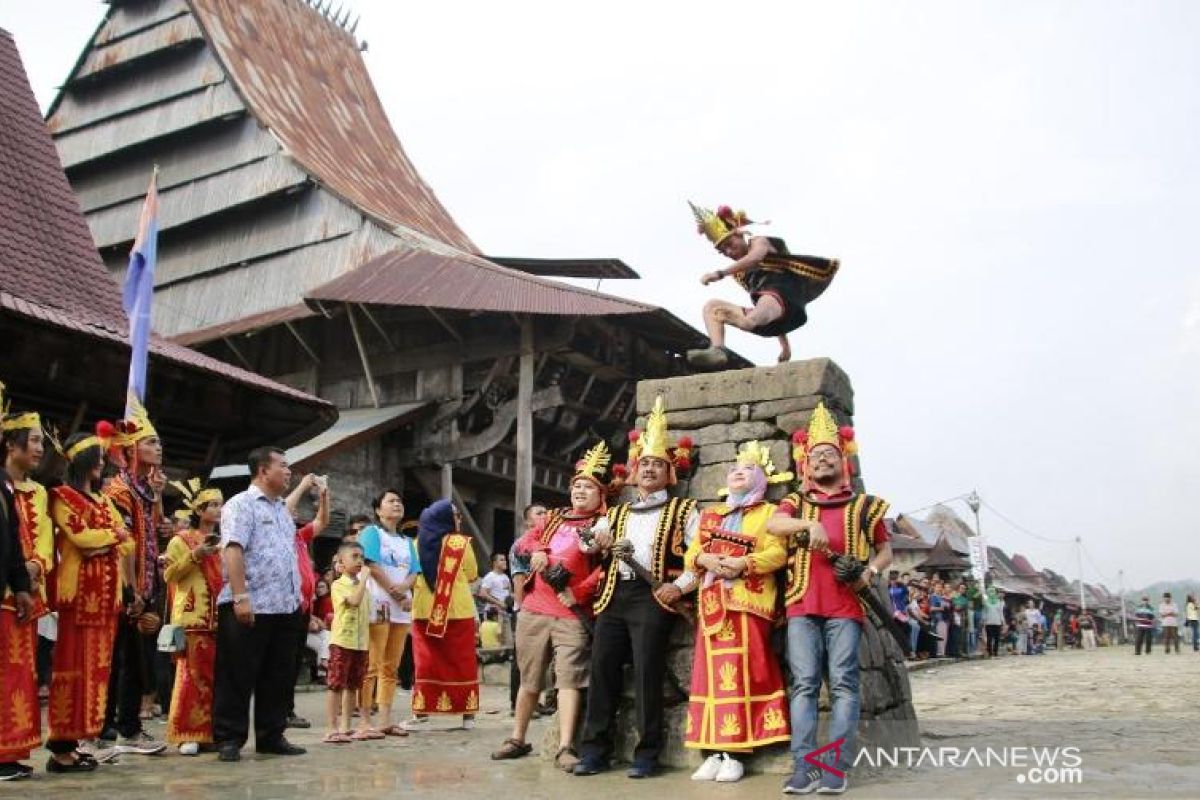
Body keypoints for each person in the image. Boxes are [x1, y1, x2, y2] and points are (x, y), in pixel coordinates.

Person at [766, 402, 893, 795]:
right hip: (803, 603)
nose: (822, 460)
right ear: (805, 466)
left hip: (845, 605)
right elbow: (774, 524)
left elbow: (885, 551)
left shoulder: (865, 506)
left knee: (843, 684)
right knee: (803, 683)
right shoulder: (797, 503)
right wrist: (808, 523)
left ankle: (836, 765)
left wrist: (868, 572)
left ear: (844, 462)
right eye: (815, 455)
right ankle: (803, 767)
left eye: (830, 454)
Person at [574, 399, 699, 780]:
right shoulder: (616, 513)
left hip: (652, 598)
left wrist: (678, 588)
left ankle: (647, 755)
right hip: (614, 595)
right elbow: (587, 545)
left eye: (657, 464)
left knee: (647, 675)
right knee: (603, 671)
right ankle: (594, 750)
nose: (649, 469)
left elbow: (700, 556)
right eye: (644, 464)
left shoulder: (684, 510)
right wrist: (594, 540)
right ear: (633, 470)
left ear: (669, 472)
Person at [493, 443, 608, 771]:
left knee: (569, 679)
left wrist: (581, 592)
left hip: (571, 613)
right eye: (577, 487)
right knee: (530, 678)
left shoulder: (602, 525)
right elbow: (524, 543)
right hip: (536, 607)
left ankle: (565, 747)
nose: (581, 492)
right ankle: (517, 737)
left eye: (588, 487)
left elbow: (606, 567)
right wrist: (536, 552)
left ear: (601, 495)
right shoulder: (555, 519)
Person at [685, 442, 792, 784]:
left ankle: (736, 752)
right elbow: (691, 554)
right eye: (733, 468)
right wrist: (703, 559)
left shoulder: (770, 514)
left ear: (761, 478)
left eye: (747, 468)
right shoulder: (710, 515)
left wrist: (743, 563)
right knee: (709, 676)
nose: (738, 471)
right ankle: (714, 751)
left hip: (748, 601)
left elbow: (777, 554)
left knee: (742, 674)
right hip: (712, 604)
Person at [46, 430, 135, 773]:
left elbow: (128, 544)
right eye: (97, 457)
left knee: (96, 673)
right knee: (71, 671)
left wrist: (105, 542)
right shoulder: (62, 497)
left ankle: (80, 741)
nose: (102, 463)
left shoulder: (103, 501)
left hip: (105, 601)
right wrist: (112, 538)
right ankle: (60, 747)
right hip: (78, 599)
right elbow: (81, 538)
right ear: (82, 460)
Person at [212, 446, 306, 762]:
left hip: (285, 605)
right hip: (250, 602)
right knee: (237, 673)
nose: (289, 471)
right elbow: (233, 550)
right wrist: (240, 596)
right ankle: (228, 737)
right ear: (263, 471)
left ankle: (271, 735)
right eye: (283, 465)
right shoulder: (241, 505)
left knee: (277, 675)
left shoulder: (281, 509)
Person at [685, 202, 838, 368]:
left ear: (740, 235)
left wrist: (720, 273)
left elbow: (755, 258)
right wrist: (785, 346)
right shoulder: (740, 274)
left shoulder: (759, 242)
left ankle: (745, 321)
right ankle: (718, 349)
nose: (729, 253)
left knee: (766, 302)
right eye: (723, 251)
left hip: (788, 302)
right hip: (771, 320)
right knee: (712, 306)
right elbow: (765, 306)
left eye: (730, 245)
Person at [100, 401, 168, 755]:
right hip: (126, 587)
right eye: (151, 442)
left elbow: (154, 531)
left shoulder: (143, 489)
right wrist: (131, 591)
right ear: (131, 448)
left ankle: (124, 725)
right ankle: (112, 726)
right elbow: (123, 544)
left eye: (158, 442)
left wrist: (158, 497)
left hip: (145, 583)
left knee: (135, 659)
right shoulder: (119, 490)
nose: (158, 448)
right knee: (122, 660)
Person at [405, 499, 479, 731]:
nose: (459, 520)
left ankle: (421, 713)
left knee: (426, 663)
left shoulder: (415, 544)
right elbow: (472, 574)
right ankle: (467, 716)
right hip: (458, 611)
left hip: (424, 612)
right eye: (456, 515)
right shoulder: (460, 543)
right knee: (462, 662)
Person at [162, 478, 224, 755]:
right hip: (192, 617)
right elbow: (170, 574)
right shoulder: (181, 540)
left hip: (219, 617)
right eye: (212, 505)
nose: (218, 509)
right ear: (199, 510)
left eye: (220, 504)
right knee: (191, 676)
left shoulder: (226, 543)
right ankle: (187, 732)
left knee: (214, 678)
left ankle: (209, 732)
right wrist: (196, 555)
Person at [0, 394, 43, 780]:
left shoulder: (6, 490)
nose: (39, 450)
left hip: (9, 596)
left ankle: (6, 753)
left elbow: (12, 542)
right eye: (34, 441)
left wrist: (23, 584)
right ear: (11, 445)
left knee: (13, 674)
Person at [357, 488, 420, 738]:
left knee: (391, 666)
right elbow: (371, 563)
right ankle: (364, 720)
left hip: (402, 608)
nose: (397, 504)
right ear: (378, 509)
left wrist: (404, 589)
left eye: (399, 501)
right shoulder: (372, 533)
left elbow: (415, 570)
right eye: (391, 501)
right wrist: (395, 592)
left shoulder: (406, 541)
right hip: (379, 603)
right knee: (371, 664)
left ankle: (384, 719)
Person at [283, 473, 330, 731]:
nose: (292, 516)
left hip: (302, 608)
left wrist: (324, 494)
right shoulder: (279, 536)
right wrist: (303, 485)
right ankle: (279, 711)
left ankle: (287, 710)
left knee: (293, 660)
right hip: (283, 607)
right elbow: (285, 508)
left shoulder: (299, 538)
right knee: (282, 661)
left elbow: (322, 521)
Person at [323, 541, 371, 744]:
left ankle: (346, 726)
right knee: (336, 684)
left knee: (353, 685)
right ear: (341, 564)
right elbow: (353, 601)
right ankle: (332, 727)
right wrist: (365, 579)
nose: (360, 561)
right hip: (342, 640)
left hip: (360, 643)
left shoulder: (364, 588)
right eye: (354, 557)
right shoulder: (338, 585)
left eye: (361, 557)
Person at [982, 587, 1004, 658]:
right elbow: (984, 612)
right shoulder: (986, 601)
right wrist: (983, 621)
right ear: (988, 593)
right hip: (989, 623)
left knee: (997, 638)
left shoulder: (998, 601)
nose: (992, 593)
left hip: (997, 622)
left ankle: (995, 653)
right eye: (990, 592)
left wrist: (1003, 622)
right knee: (989, 638)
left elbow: (1001, 612)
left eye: (993, 591)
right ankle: (990, 653)